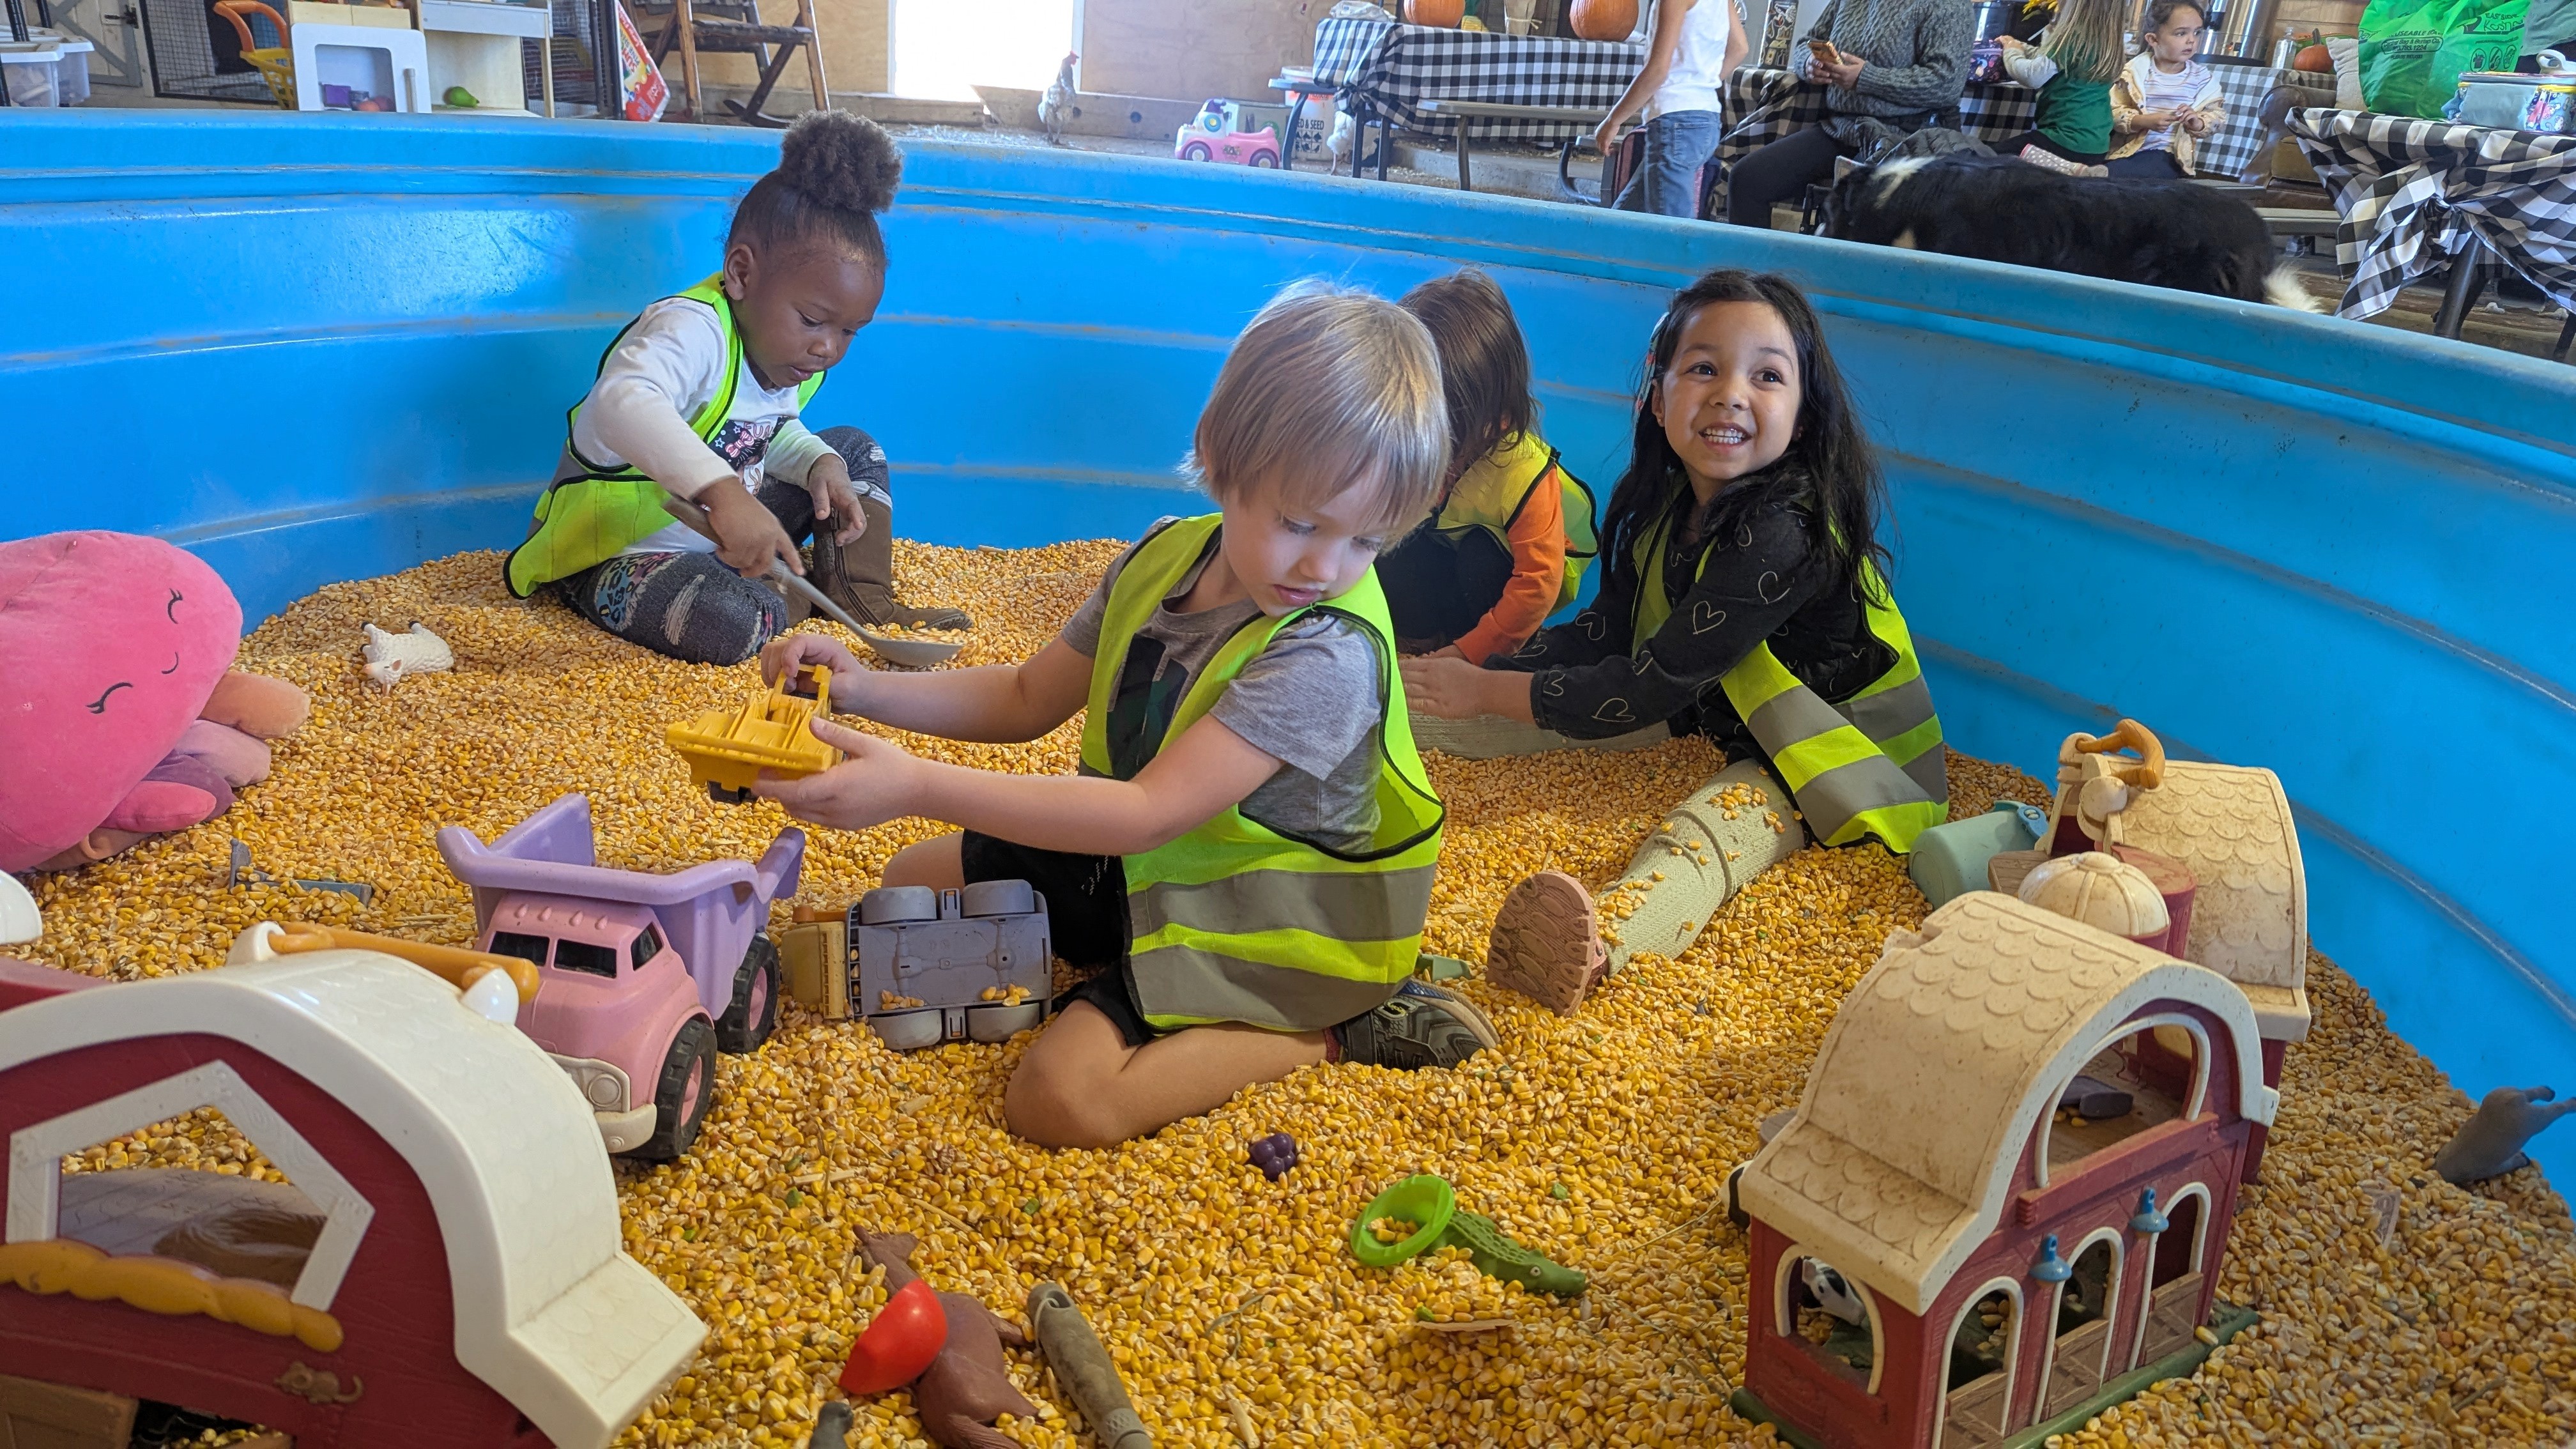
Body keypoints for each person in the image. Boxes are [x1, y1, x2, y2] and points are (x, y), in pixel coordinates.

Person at [751, 286, 1499, 1150]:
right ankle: (1119, 965)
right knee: (910, 877)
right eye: (1300, 523)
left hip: (1269, 929)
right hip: (1158, 870)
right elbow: (1029, 698)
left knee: (1060, 1102)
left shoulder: (1323, 653)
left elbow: (1148, 815)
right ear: (1223, 459)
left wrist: (916, 782)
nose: (1325, 567)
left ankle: (1329, 1031)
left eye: (1366, 541)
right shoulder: (1163, 556)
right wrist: (861, 689)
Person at [1401, 270, 1945, 1012]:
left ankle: (1601, 946)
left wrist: (1489, 685)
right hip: (1707, 712)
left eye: (1767, 375)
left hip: (1824, 764)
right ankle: (1353, 724)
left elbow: (1648, 685)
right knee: (1475, 713)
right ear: (1658, 401)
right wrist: (1478, 674)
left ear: (1805, 416)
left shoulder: (1785, 532)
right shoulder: (1664, 511)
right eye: (1703, 368)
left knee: (1708, 834)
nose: (1730, 392)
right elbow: (1606, 636)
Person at [504, 110, 967, 666]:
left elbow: (764, 433)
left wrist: (818, 464)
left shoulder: (789, 356)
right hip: (617, 554)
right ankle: (788, 593)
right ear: (742, 273)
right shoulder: (692, 329)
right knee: (725, 620)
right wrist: (724, 495)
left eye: (849, 331)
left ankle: (860, 604)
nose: (830, 349)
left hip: (718, 541)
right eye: (814, 320)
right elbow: (619, 404)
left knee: (851, 453)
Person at [1376, 270, 1599, 665]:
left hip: (1504, 588)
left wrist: (1468, 655)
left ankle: (1486, 651)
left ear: (1499, 420)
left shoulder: (1523, 473)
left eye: (1447, 435)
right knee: (1391, 544)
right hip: (1445, 564)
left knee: (1482, 555)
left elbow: (1537, 586)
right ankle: (1419, 637)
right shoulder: (1410, 439)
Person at [1722, 0, 1974, 227]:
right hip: (1841, 129)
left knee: (1863, 210)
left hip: (1908, 137)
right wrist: (1809, 64)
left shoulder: (1949, 5)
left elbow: (1946, 84)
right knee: (1747, 179)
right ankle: (1751, 277)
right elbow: (1807, 43)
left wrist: (1867, 78)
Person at [1593, 0, 1749, 218]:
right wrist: (1699, 85)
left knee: (1673, 236)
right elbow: (1740, 48)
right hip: (1706, 120)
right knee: (1624, 223)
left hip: (1676, 124)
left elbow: (1657, 70)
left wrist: (1613, 121)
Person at [1993, 0, 2128, 176]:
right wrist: (2018, 45)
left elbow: (2032, 76)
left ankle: (2071, 169)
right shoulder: (2108, 42)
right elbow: (2049, 60)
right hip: (2097, 145)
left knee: (1990, 160)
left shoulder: (2072, 37)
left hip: (2063, 141)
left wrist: (2012, 51)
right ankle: (2076, 171)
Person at [2106, 0, 2223, 180]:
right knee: (2115, 172)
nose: (2191, 40)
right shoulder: (2134, 73)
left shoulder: (2202, 78)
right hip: (2125, 152)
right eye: (2181, 33)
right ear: (2153, 39)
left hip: (2170, 155)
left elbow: (2217, 116)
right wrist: (2142, 121)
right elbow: (2112, 112)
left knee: (2136, 170)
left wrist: (2197, 122)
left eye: (2197, 32)